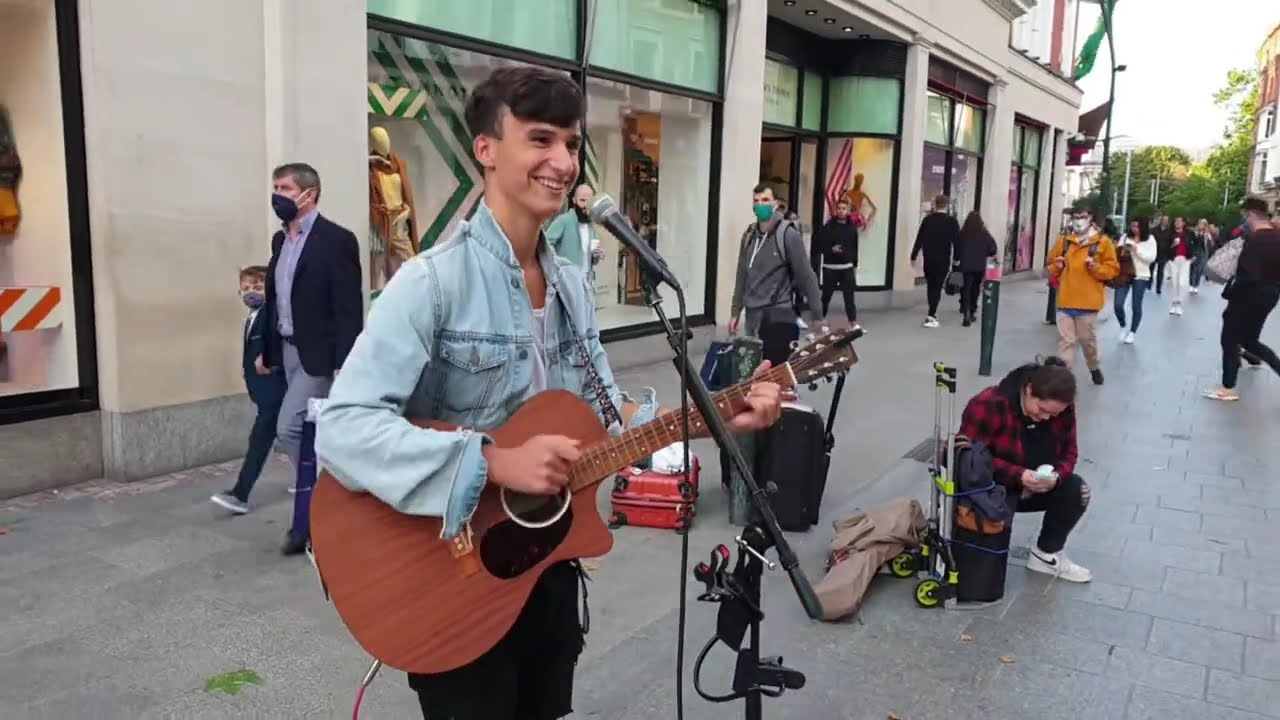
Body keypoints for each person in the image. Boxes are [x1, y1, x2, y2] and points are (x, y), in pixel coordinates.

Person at [314, 66, 786, 720]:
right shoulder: (431, 284)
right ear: (486, 149)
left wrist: (715, 417)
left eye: (570, 143)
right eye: (540, 139)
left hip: (546, 566)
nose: (563, 162)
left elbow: (606, 414)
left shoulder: (570, 285)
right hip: (451, 578)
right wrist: (492, 462)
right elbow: (343, 427)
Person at [263, 162, 363, 555]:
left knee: (289, 428)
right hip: (286, 350)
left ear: (310, 193)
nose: (278, 196)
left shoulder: (336, 240)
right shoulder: (280, 241)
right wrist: (267, 351)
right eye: (275, 188)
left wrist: (345, 360)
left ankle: (321, 501)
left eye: (285, 188)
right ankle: (318, 512)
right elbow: (275, 299)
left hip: (318, 355)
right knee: (307, 435)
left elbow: (348, 306)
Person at [958, 356, 1093, 583]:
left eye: (1054, 414)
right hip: (992, 488)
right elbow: (967, 457)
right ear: (1029, 390)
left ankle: (1046, 554)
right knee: (986, 576)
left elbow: (1070, 453)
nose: (1046, 417)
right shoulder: (988, 404)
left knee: (1077, 490)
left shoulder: (1063, 409)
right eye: (1042, 409)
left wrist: (1056, 477)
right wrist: (1018, 475)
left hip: (1036, 484)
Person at [210, 266, 288, 515]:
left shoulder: (270, 313)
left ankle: (240, 494)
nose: (250, 292)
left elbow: (277, 342)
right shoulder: (252, 318)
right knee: (292, 437)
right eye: (245, 289)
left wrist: (269, 359)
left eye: (257, 287)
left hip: (272, 390)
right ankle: (310, 481)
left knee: (259, 443)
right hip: (262, 391)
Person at [728, 183, 824, 365]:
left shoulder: (787, 235)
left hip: (778, 314)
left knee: (776, 372)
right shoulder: (749, 236)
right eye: (756, 201)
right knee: (754, 370)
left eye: (765, 200)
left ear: (775, 204)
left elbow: (806, 276)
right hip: (752, 316)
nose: (760, 205)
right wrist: (735, 312)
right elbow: (742, 275)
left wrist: (817, 315)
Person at [1203, 196, 1280, 402]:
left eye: (1245, 216)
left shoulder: (1253, 240)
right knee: (1249, 340)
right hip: (1271, 295)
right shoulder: (1277, 237)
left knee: (1229, 337)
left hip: (1248, 295)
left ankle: (1227, 386)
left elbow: (1248, 275)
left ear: (1251, 214)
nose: (1244, 220)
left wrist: (1232, 294)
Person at [1047, 208, 1119, 385]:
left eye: (1083, 217)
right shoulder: (1064, 241)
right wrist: (1056, 266)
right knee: (1066, 341)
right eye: (1076, 217)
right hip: (1066, 300)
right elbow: (1051, 265)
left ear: (1091, 218)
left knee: (1088, 342)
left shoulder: (1103, 242)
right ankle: (1063, 379)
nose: (1079, 220)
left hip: (1088, 303)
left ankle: (1093, 366)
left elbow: (1112, 270)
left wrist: (1095, 267)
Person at [911, 194, 960, 328]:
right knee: (937, 285)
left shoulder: (927, 220)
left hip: (929, 257)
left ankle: (932, 311)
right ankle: (932, 313)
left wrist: (913, 255)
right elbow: (957, 242)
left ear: (935, 205)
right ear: (946, 205)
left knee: (931, 284)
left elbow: (919, 238)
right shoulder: (951, 221)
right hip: (943, 258)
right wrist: (957, 259)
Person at [812, 198, 859, 323]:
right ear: (835, 210)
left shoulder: (852, 228)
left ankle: (853, 323)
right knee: (826, 297)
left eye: (844, 209)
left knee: (849, 298)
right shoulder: (828, 227)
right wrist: (831, 249)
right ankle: (820, 321)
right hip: (830, 268)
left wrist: (854, 264)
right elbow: (819, 245)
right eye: (839, 208)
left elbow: (855, 247)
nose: (841, 211)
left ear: (848, 211)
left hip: (847, 268)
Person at [544, 183, 604, 277]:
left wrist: (597, 255)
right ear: (574, 200)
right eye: (582, 200)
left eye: (589, 201)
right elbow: (544, 245)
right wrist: (560, 266)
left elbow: (591, 260)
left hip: (587, 279)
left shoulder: (591, 226)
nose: (585, 205)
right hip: (566, 279)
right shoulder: (564, 220)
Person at [1113, 218, 1157, 345]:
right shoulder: (1125, 237)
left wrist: (1136, 250)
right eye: (1133, 226)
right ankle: (1123, 325)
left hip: (1141, 275)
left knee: (1136, 305)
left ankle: (1132, 332)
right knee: (1118, 304)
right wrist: (1122, 250)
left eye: (1137, 226)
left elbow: (1151, 258)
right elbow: (1116, 254)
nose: (1134, 229)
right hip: (1125, 273)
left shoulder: (1150, 239)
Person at [955, 210, 997, 327]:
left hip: (966, 265)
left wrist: (957, 259)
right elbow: (993, 249)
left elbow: (957, 247)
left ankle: (966, 311)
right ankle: (972, 310)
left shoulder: (963, 233)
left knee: (966, 288)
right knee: (975, 288)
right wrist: (984, 253)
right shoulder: (984, 233)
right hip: (979, 266)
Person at [1167, 216, 1194, 314]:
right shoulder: (1170, 234)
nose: (1177, 223)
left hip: (1185, 259)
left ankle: (1179, 304)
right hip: (1173, 259)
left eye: (1179, 221)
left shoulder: (1189, 233)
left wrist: (1193, 256)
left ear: (1183, 223)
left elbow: (1193, 244)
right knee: (1175, 282)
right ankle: (1173, 304)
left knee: (1182, 282)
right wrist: (1173, 245)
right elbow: (1165, 247)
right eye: (1176, 221)